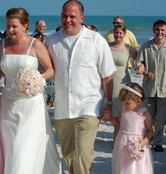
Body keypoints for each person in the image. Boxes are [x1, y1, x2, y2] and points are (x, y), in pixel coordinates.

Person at [0, 8, 62, 174]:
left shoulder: (35, 45)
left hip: (30, 105)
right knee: (12, 146)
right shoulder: (2, 45)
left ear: (25, 26)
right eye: (8, 26)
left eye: (14, 26)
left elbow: (50, 69)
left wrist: (38, 80)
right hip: (9, 105)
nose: (10, 30)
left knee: (23, 146)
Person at [46, 1, 116, 173]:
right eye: (64, 16)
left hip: (89, 107)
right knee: (69, 154)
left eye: (72, 16)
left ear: (82, 18)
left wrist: (109, 103)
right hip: (63, 108)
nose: (67, 20)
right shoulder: (52, 41)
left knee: (83, 154)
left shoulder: (96, 40)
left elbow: (107, 76)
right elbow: (45, 69)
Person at [136, 19, 166, 152]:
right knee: (148, 116)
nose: (159, 32)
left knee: (162, 118)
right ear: (153, 30)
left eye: (162, 30)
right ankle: (149, 138)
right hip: (149, 88)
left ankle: (158, 142)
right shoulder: (146, 46)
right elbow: (138, 64)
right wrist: (145, 72)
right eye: (157, 30)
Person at [111, 82, 153, 174]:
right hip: (122, 144)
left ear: (138, 101)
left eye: (127, 103)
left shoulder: (144, 114)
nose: (124, 105)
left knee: (136, 167)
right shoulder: (123, 109)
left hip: (137, 145)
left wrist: (142, 143)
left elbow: (150, 131)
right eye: (123, 102)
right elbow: (119, 122)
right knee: (123, 167)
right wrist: (110, 119)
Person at [109, 23, 138, 137]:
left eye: (120, 33)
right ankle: (116, 134)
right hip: (108, 80)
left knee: (122, 111)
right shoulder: (107, 46)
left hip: (123, 82)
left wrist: (142, 68)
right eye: (116, 32)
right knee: (111, 112)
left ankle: (120, 136)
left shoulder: (129, 48)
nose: (118, 35)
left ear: (124, 34)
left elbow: (141, 60)